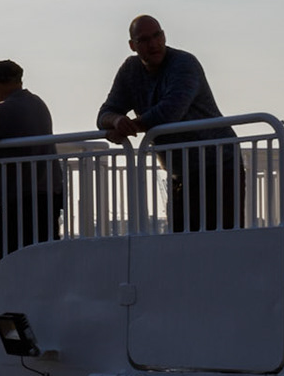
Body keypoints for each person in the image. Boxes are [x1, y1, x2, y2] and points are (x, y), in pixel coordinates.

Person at [97, 15, 242, 232]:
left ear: (164, 36)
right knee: (179, 243)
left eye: (157, 36)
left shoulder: (184, 64)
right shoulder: (130, 70)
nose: (153, 44)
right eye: (144, 40)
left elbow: (170, 111)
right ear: (132, 46)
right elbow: (104, 114)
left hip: (218, 166)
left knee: (222, 241)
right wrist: (117, 121)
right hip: (180, 173)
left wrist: (129, 127)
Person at [0, 59, 63, 256]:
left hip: (20, 199)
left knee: (15, 258)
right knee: (46, 256)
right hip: (48, 194)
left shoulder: (1, 110)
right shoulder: (38, 104)